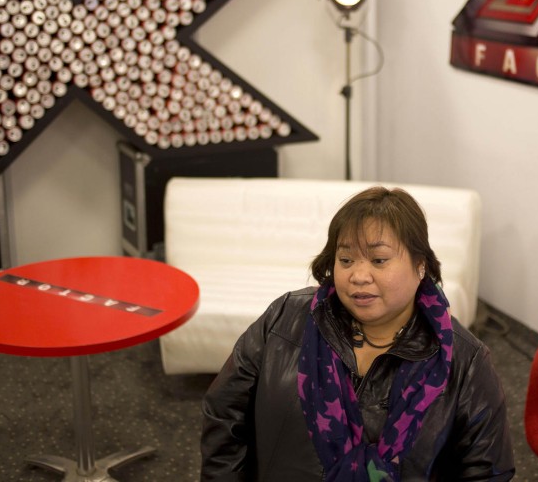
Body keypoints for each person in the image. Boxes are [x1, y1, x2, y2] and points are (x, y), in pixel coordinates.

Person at [200, 186, 516, 481]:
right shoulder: (285, 319)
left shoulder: (465, 361)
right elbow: (224, 415)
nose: (359, 276)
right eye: (346, 259)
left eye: (379, 260)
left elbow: (487, 471)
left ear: (420, 265)